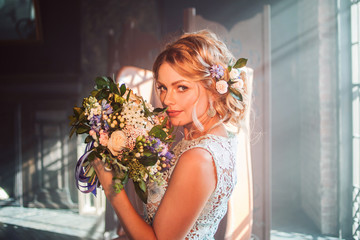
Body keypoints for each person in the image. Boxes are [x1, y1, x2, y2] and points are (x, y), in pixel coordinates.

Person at [92, 29, 251, 240]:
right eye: (163, 88)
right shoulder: (211, 137)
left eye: (182, 88)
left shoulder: (198, 158)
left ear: (213, 88)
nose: (167, 100)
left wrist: (111, 186)